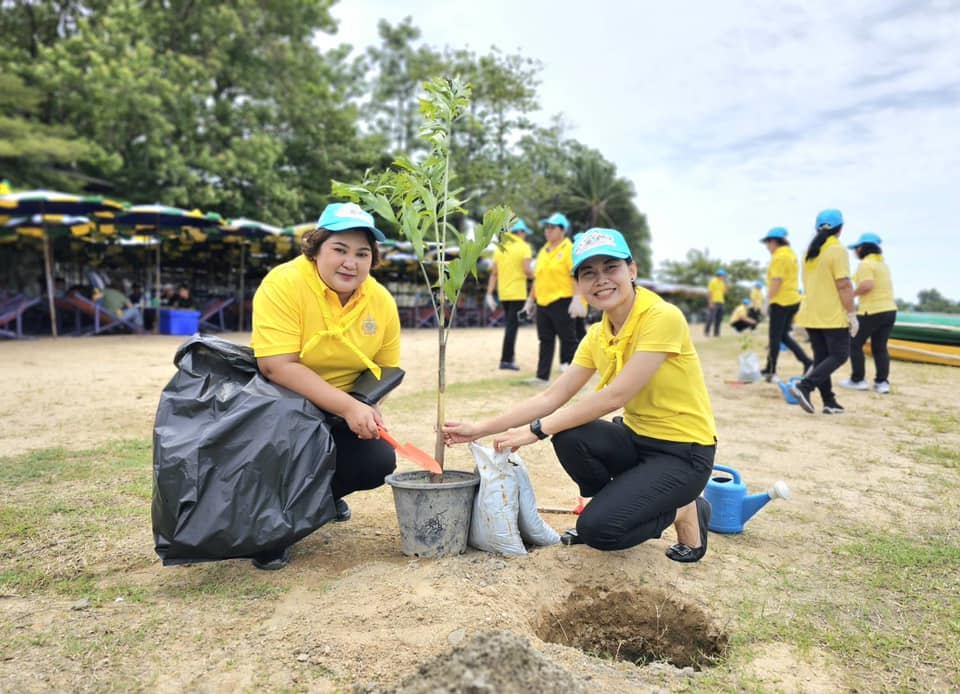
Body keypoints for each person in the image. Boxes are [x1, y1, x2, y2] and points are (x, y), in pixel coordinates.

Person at [444, 228, 717, 562]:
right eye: (589, 273)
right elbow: (550, 397)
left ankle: (682, 510)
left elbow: (615, 395)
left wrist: (536, 430)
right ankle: (618, 505)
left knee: (600, 530)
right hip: (637, 440)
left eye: (610, 268)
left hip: (682, 453)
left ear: (632, 270)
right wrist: (479, 428)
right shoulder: (597, 335)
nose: (601, 279)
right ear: (578, 284)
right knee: (571, 436)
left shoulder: (662, 317)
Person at [250, 202, 401, 570]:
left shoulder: (379, 300)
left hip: (338, 410)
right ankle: (269, 528)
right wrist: (349, 407)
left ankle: (318, 501)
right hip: (280, 406)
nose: (351, 262)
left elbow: (385, 366)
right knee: (286, 447)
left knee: (378, 460)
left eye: (362, 253)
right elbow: (275, 366)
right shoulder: (284, 283)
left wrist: (369, 405)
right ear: (316, 249)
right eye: (340, 250)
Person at [790, 209, 858, 415]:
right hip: (831, 315)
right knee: (839, 355)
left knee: (822, 359)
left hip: (811, 313)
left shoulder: (810, 253)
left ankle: (829, 402)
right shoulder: (837, 251)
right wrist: (852, 314)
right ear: (840, 228)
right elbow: (844, 285)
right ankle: (805, 386)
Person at [523, 212, 585, 385]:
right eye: (547, 227)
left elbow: (575, 275)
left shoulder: (569, 249)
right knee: (545, 340)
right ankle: (542, 376)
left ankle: (573, 378)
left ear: (563, 230)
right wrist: (530, 300)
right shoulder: (543, 251)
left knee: (568, 339)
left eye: (552, 227)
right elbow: (538, 277)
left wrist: (577, 297)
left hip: (562, 300)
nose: (548, 231)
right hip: (543, 301)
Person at [840, 233, 897, 394]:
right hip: (889, 310)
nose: (854, 252)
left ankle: (858, 380)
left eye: (856, 248)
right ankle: (881, 382)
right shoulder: (882, 264)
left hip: (871, 311)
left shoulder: (866, 264)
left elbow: (867, 285)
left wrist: (851, 295)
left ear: (862, 248)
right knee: (880, 347)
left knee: (854, 343)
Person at [759, 227, 813, 381]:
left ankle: (771, 370)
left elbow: (777, 280)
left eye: (768, 243)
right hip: (793, 300)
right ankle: (807, 362)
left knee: (775, 337)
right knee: (783, 336)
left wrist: (767, 300)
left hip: (781, 301)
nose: (767, 247)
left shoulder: (779, 256)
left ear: (774, 241)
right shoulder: (791, 254)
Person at [485, 219, 533, 370]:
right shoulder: (524, 247)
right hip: (518, 293)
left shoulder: (500, 248)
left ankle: (509, 357)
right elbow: (526, 270)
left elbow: (494, 274)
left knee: (510, 325)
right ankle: (506, 360)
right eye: (524, 232)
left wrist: (489, 293)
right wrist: (537, 275)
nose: (525, 235)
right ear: (519, 232)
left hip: (503, 293)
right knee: (512, 327)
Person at [704, 269, 728, 337]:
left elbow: (723, 292)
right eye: (724, 276)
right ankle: (707, 332)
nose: (724, 277)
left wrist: (726, 289)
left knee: (719, 318)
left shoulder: (722, 282)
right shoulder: (713, 281)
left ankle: (716, 333)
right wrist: (710, 302)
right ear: (720, 275)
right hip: (714, 302)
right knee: (711, 318)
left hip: (721, 302)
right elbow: (709, 292)